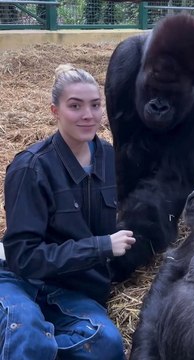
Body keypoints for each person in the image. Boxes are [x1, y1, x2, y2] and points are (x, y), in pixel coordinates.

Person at [0, 64, 136, 360]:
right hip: (19, 279)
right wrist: (100, 247)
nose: (88, 115)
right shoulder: (31, 167)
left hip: (71, 288)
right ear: (55, 111)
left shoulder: (110, 157)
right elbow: (23, 258)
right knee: (25, 333)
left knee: (105, 344)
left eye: (95, 105)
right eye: (75, 106)